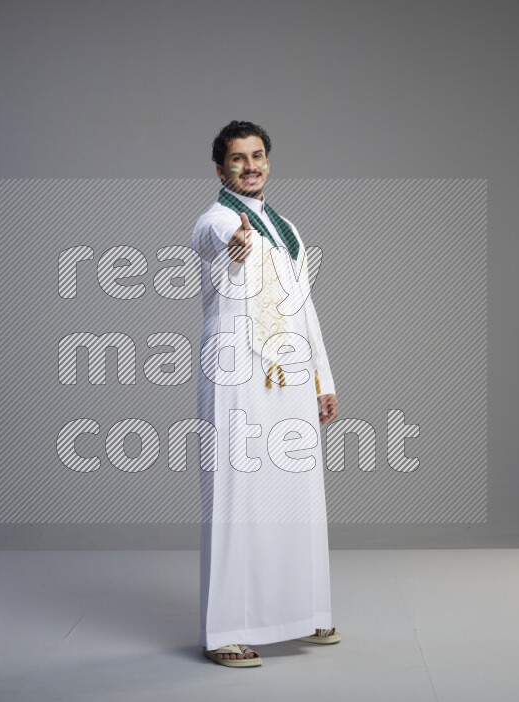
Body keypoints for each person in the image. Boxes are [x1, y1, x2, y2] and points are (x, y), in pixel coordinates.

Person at [191, 121, 340, 668]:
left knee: (298, 492)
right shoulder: (216, 220)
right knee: (237, 497)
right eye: (238, 158)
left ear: (268, 162)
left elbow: (304, 306)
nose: (250, 166)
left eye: (258, 156)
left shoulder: (285, 227)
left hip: (291, 372)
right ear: (220, 169)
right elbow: (212, 241)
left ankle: (305, 611)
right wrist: (231, 247)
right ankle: (226, 631)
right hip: (236, 372)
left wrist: (324, 379)